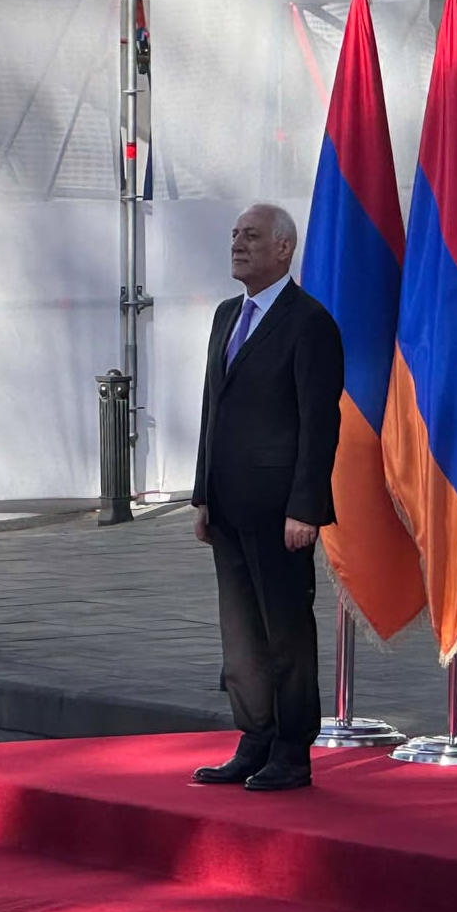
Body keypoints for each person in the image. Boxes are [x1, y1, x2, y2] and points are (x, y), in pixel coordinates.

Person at [189, 203, 344, 791]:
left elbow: (318, 423)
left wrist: (305, 506)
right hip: (227, 504)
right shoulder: (229, 315)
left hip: (280, 510)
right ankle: (253, 736)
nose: (237, 244)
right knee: (241, 630)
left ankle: (291, 747)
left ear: (284, 248)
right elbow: (214, 408)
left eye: (250, 236)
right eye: (234, 235)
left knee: (285, 630)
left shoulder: (309, 324)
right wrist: (203, 493)